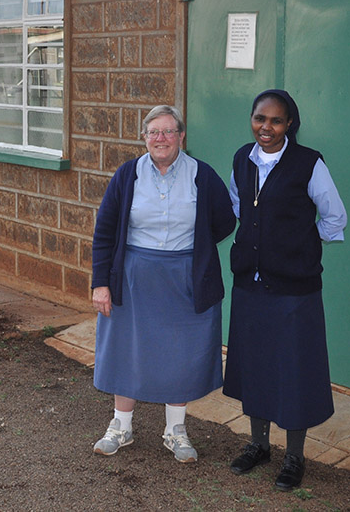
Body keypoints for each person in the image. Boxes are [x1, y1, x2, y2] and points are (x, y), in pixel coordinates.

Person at [91, 104, 236, 463]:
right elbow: (105, 232)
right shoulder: (127, 175)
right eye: (154, 132)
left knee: (181, 354)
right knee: (128, 349)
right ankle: (120, 427)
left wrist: (197, 244)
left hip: (185, 276)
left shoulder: (202, 174)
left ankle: (176, 431)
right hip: (134, 277)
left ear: (181, 137)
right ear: (144, 138)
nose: (161, 139)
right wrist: (100, 283)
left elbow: (225, 220)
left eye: (169, 131)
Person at [224, 89, 347, 491]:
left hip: (294, 288)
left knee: (294, 370)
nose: (267, 128)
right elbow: (239, 207)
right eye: (260, 118)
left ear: (289, 124)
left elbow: (333, 218)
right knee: (255, 364)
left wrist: (299, 247)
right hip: (250, 284)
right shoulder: (243, 158)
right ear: (252, 119)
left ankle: (295, 456)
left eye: (276, 121)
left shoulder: (309, 163)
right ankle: (259, 444)